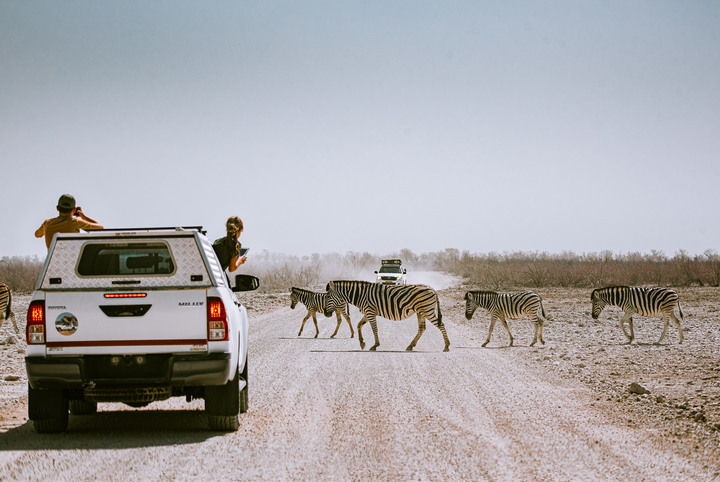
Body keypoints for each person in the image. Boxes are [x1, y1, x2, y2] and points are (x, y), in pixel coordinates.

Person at [35, 194, 104, 250]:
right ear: (74, 210)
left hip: (53, 264)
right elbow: (100, 227)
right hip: (72, 264)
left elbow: (37, 234)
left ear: (57, 208)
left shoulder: (47, 223)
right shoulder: (75, 222)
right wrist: (84, 217)